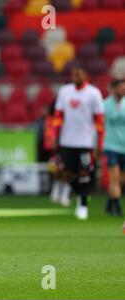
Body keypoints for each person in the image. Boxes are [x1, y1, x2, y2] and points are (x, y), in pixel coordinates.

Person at [52, 65, 105, 220]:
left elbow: (99, 120)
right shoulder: (64, 91)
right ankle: (79, 194)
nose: (75, 77)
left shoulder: (93, 93)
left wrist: (99, 142)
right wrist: (54, 135)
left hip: (86, 142)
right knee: (67, 174)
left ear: (85, 75)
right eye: (73, 75)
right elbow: (58, 115)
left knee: (84, 173)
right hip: (67, 140)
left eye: (78, 74)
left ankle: (82, 204)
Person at [103, 79, 125, 217]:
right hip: (111, 145)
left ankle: (110, 201)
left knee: (121, 179)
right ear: (114, 89)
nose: (123, 90)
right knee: (114, 177)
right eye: (121, 88)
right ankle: (117, 208)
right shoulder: (105, 104)